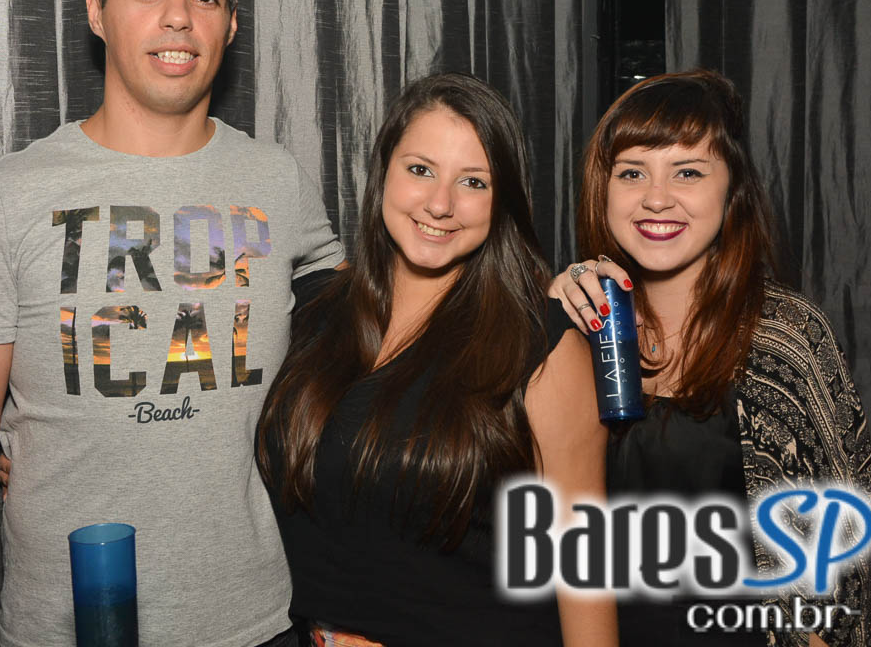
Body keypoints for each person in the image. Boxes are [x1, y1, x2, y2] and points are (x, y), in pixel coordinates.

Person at [0, 0, 342, 647]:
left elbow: (389, 330)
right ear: (97, 11)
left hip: (256, 623)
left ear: (231, 23)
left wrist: (543, 295)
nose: (178, 17)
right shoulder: (7, 198)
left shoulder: (279, 184)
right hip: (62, 630)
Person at [256, 72, 617, 647]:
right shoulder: (315, 315)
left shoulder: (543, 349)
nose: (441, 204)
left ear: (503, 201)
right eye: (420, 169)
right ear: (384, 172)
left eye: (473, 181)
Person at [550, 69, 871, 646]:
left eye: (688, 172)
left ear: (732, 190)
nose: (657, 197)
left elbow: (842, 579)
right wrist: (548, 320)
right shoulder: (578, 328)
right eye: (632, 172)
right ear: (602, 190)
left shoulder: (786, 337)